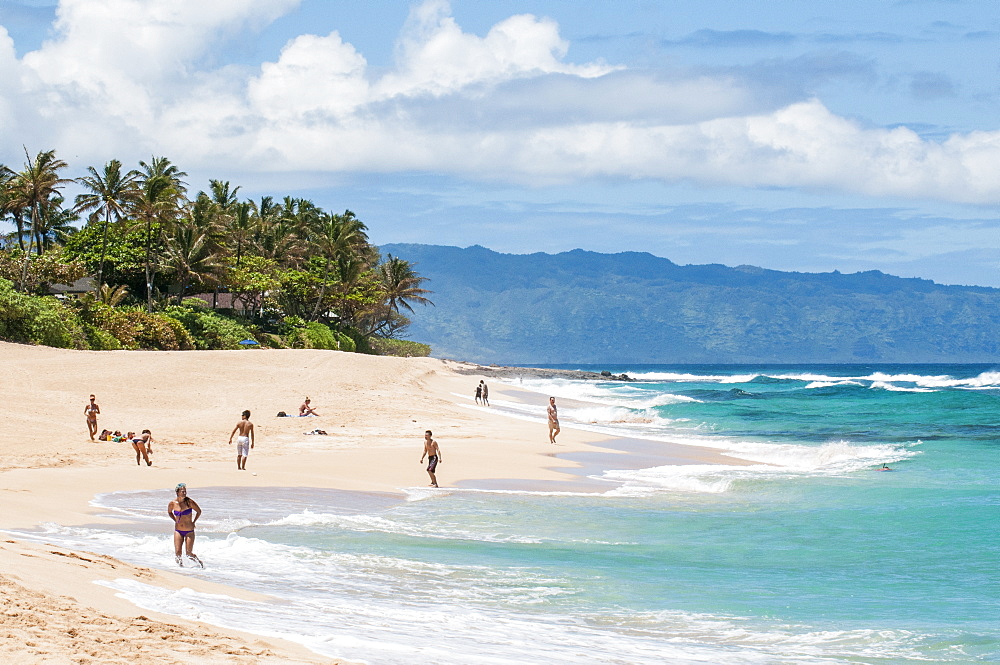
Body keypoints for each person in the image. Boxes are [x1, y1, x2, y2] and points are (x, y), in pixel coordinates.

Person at [168, 483, 203, 568]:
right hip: (178, 530)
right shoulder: (172, 503)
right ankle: (181, 569)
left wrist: (193, 522)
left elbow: (199, 511)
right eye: (182, 491)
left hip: (189, 531)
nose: (184, 493)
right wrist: (175, 519)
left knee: (188, 554)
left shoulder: (189, 502)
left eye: (185, 491)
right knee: (178, 553)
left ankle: (200, 564)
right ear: (177, 492)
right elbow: (169, 512)